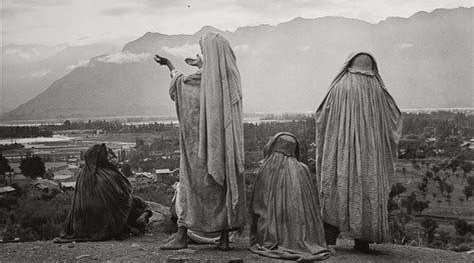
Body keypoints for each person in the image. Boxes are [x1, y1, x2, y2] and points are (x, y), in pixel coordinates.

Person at [155, 32, 246, 250]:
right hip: (223, 149)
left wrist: (170, 65)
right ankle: (223, 239)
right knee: (220, 188)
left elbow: (179, 86)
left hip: (196, 149)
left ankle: (182, 235)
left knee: (190, 186)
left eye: (203, 52)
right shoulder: (231, 80)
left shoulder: (196, 81)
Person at [315, 52, 402, 252]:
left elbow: (321, 115)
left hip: (340, 153)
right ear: (372, 67)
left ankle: (329, 237)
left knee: (337, 186)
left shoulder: (338, 87)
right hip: (369, 156)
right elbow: (394, 118)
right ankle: (362, 241)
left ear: (349, 64)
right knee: (366, 188)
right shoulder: (378, 90)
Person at [249, 132, 331, 261]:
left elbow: (258, 205)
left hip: (269, 235)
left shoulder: (266, 168)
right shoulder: (303, 169)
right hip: (303, 233)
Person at [58, 144, 134, 242]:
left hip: (81, 225)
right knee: (130, 202)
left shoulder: (82, 175)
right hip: (105, 223)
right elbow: (124, 194)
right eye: (105, 154)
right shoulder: (109, 174)